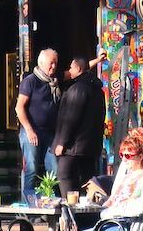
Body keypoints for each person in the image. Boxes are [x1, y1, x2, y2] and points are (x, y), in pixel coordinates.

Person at [15, 48, 105, 200]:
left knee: (55, 170)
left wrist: (97, 60)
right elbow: (19, 107)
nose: (53, 67)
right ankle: (26, 208)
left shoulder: (55, 79)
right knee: (31, 169)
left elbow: (78, 69)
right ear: (41, 63)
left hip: (51, 133)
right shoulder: (30, 81)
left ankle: (52, 203)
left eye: (55, 64)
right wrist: (29, 130)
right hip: (32, 132)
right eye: (51, 63)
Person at [53, 57, 106, 197]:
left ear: (78, 69)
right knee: (88, 178)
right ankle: (88, 212)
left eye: (71, 67)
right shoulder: (98, 90)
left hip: (74, 146)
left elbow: (71, 118)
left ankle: (71, 211)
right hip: (91, 144)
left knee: (64, 175)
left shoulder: (77, 89)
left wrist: (62, 142)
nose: (69, 70)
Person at [103, 129, 143, 208]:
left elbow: (133, 201)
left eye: (128, 156)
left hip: (123, 217)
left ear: (140, 157)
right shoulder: (127, 177)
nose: (124, 159)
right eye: (122, 155)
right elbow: (111, 199)